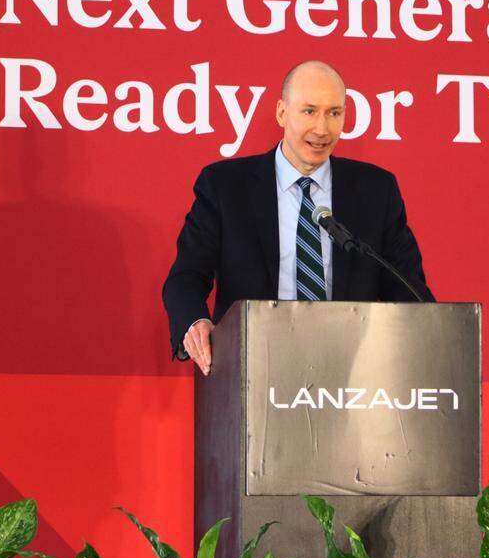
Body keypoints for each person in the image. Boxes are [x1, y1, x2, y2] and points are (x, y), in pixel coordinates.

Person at [162, 60, 433, 373]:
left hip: (353, 374)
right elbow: (185, 278)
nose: (322, 128)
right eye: (309, 111)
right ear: (281, 112)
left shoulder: (376, 190)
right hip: (255, 367)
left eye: (334, 113)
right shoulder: (225, 186)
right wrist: (196, 323)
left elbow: (409, 289)